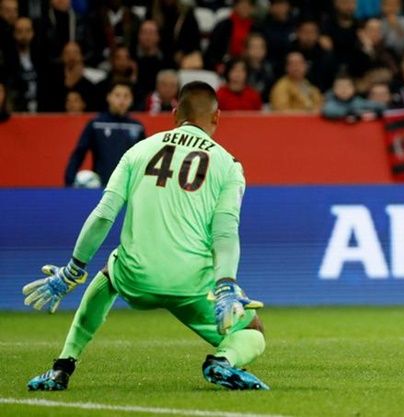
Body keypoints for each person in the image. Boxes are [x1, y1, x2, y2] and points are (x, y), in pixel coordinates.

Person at [23, 81, 269, 391]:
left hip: (135, 276)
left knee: (110, 270)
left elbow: (102, 216)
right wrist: (226, 284)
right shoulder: (228, 165)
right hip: (190, 283)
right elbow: (225, 230)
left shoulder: (138, 151)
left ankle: (63, 366)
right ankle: (222, 362)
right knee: (253, 331)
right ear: (217, 117)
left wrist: (73, 270)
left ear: (174, 112)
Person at [64, 81, 145, 187]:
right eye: (117, 95)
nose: (122, 100)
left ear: (131, 100)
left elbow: (144, 159)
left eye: (126, 96)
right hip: (101, 188)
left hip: (128, 188)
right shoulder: (96, 124)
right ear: (109, 97)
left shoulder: (137, 127)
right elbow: (79, 153)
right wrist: (69, 182)